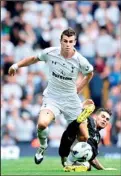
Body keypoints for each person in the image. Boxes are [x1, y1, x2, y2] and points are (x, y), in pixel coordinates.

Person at [8, 28, 94, 164]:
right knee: (42, 124)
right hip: (52, 97)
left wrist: (79, 87)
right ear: (60, 41)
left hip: (71, 99)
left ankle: (71, 159)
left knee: (84, 136)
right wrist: (16, 65)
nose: (67, 44)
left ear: (75, 42)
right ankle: (42, 147)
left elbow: (90, 74)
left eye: (71, 41)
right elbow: (33, 59)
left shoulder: (80, 60)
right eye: (65, 41)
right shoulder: (50, 52)